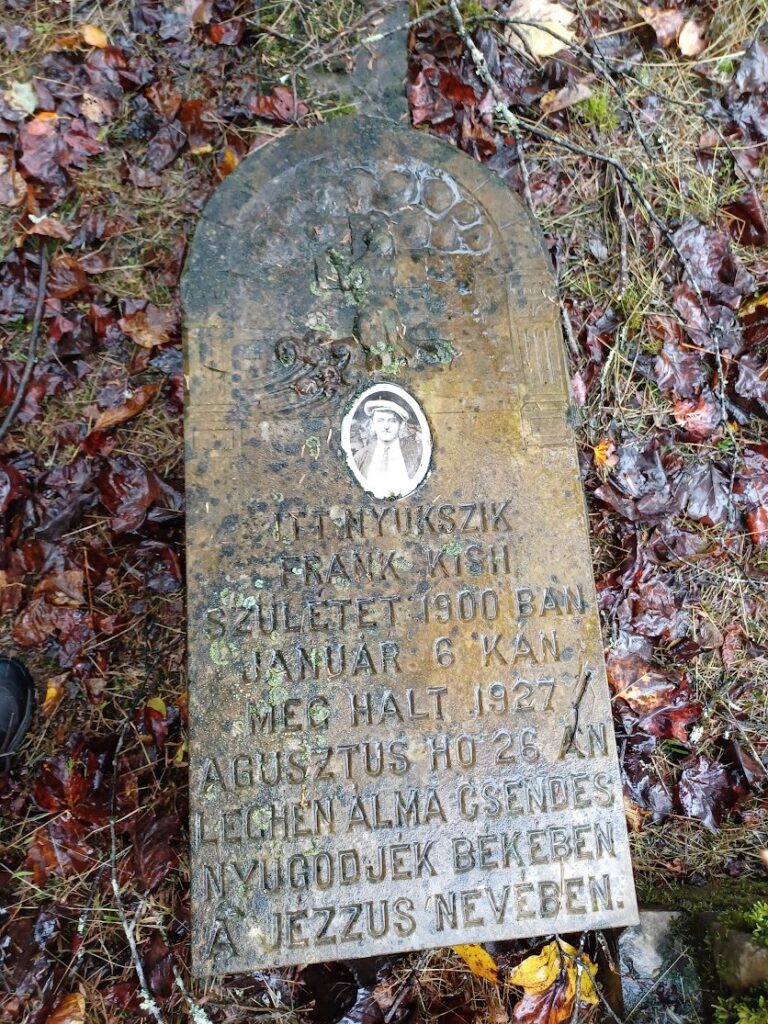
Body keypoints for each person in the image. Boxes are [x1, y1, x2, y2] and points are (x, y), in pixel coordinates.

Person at [353, 398, 423, 498]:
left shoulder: (417, 453)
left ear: (401, 425)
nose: (386, 426)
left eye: (392, 421)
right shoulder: (360, 457)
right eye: (380, 420)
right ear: (372, 424)